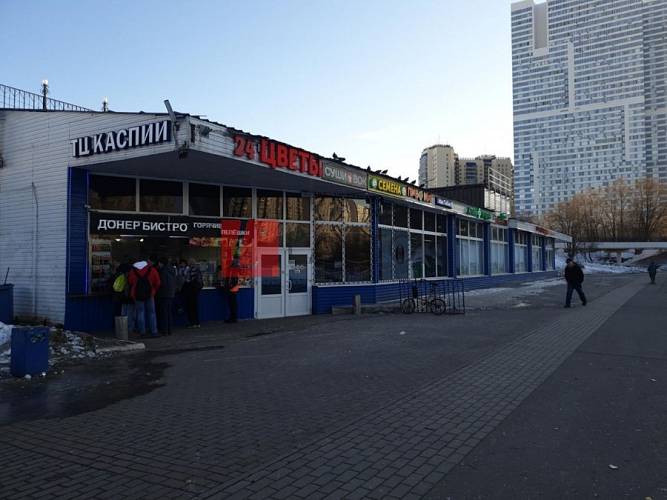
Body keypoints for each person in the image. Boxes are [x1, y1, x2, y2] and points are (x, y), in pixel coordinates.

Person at [128, 259, 161, 337]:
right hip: (150, 294)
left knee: (140, 312)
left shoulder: (133, 270)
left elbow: (130, 281)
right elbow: (158, 282)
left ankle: (142, 332)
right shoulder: (152, 269)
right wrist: (153, 290)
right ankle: (154, 331)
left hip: (137, 294)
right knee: (152, 313)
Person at [156, 257, 177, 335]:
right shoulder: (172, 269)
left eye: (159, 263)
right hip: (171, 293)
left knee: (164, 313)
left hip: (164, 294)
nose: (158, 264)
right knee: (169, 313)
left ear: (161, 263)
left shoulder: (162, 271)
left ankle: (165, 330)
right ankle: (169, 330)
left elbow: (162, 283)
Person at [180, 259, 203, 328]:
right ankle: (197, 323)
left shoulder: (191, 269)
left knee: (190, 308)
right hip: (195, 291)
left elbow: (188, 279)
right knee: (194, 308)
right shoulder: (197, 269)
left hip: (191, 291)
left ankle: (192, 323)